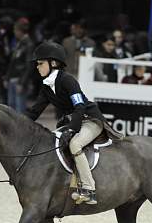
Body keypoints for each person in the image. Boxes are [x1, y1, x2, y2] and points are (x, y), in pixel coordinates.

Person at [25, 42, 123, 205]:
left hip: (90, 119)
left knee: (75, 145)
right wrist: (17, 121)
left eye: (40, 63)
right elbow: (35, 111)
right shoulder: (47, 87)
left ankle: (89, 189)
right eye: (37, 64)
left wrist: (72, 130)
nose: (37, 67)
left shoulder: (68, 80)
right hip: (73, 121)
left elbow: (79, 106)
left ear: (53, 63)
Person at [5, 17, 35, 113]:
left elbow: (29, 65)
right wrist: (7, 77)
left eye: (15, 30)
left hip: (19, 80)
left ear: (19, 31)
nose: (14, 32)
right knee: (11, 108)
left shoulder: (29, 44)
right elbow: (12, 63)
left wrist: (22, 83)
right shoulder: (19, 44)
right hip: (12, 79)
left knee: (19, 109)